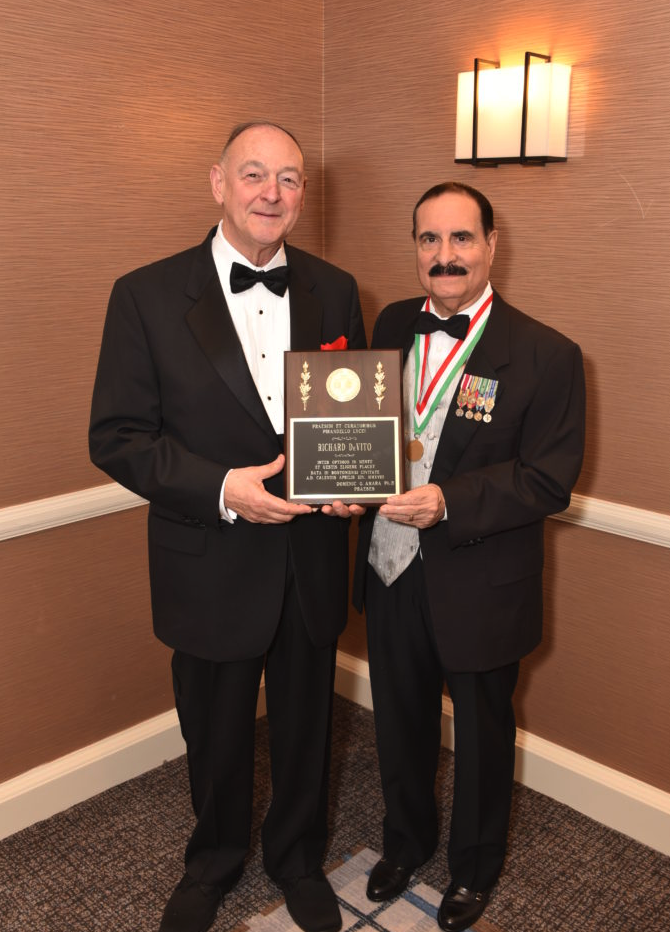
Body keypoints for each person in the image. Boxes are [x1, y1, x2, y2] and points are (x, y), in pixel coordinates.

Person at [89, 121, 366, 932]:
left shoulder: (335, 288)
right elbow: (118, 438)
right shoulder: (143, 293)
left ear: (302, 194)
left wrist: (357, 483)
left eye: (287, 179)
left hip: (309, 558)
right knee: (212, 734)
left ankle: (296, 857)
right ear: (217, 183)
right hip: (208, 557)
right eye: (253, 175)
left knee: (306, 728)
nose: (270, 194)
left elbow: (348, 418)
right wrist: (220, 488)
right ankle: (211, 862)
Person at [352, 182, 586, 931]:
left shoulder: (545, 354)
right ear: (414, 247)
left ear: (491, 245)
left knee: (482, 736)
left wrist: (449, 501)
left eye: (460, 239)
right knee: (399, 722)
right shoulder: (389, 323)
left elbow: (546, 478)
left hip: (480, 579)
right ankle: (405, 843)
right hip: (390, 569)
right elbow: (357, 426)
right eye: (428, 240)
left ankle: (473, 868)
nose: (444, 256)